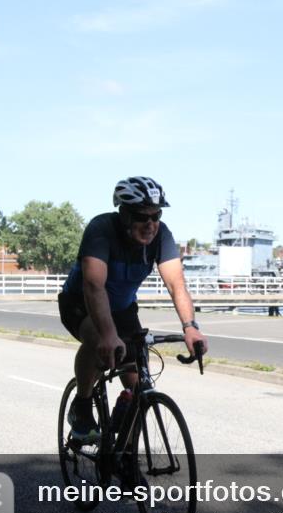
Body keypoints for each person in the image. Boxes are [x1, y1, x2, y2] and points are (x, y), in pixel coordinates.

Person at [58, 176, 208, 443]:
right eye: (141, 216)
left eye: (156, 215)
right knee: (97, 338)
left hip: (123, 309)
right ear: (124, 215)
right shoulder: (101, 229)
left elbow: (176, 283)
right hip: (81, 301)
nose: (150, 224)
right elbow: (93, 285)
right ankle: (82, 405)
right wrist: (107, 334)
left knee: (139, 383)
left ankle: (126, 459)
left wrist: (190, 328)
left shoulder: (161, 235)